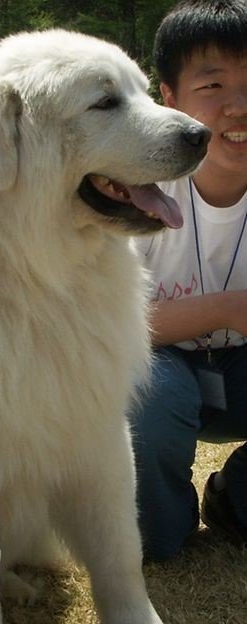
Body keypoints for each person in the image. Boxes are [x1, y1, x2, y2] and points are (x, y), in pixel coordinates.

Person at [132, 0, 247, 561]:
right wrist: (227, 308)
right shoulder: (131, 187)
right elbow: (103, 326)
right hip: (159, 367)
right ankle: (162, 527)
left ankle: (236, 499)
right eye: (214, 85)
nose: (239, 107)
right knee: (147, 392)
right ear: (169, 97)